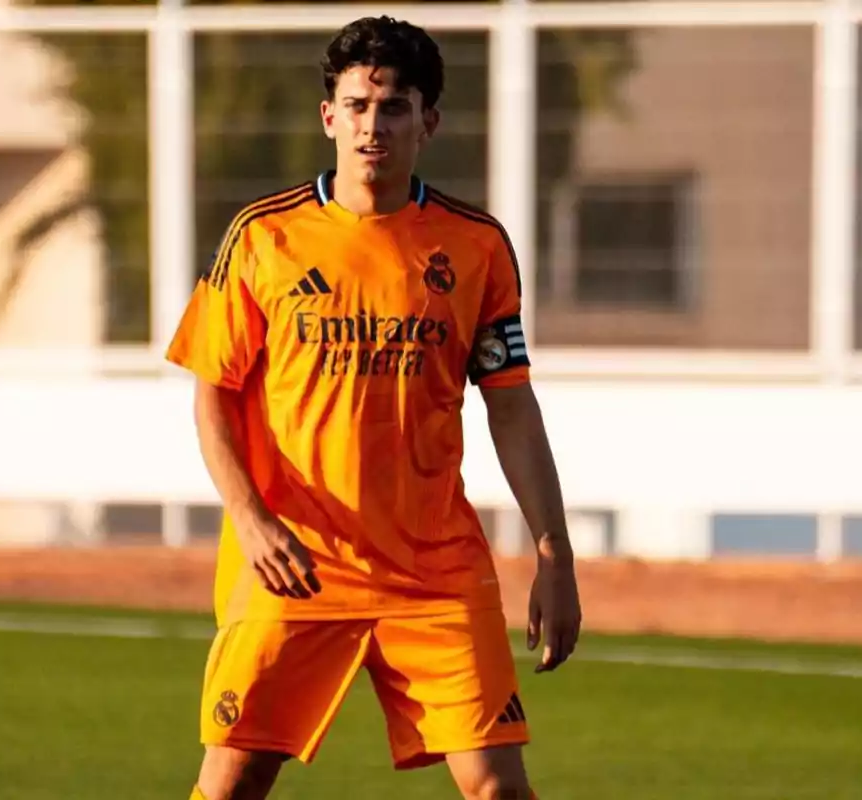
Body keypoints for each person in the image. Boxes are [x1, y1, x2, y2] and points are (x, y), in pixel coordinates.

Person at [166, 14, 581, 800]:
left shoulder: (476, 246)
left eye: (392, 107)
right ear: (328, 118)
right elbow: (213, 395)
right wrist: (252, 520)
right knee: (233, 782)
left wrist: (553, 553)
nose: (371, 126)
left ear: (428, 120)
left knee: (499, 788)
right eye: (355, 106)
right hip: (296, 562)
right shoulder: (263, 237)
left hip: (436, 569)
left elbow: (511, 407)